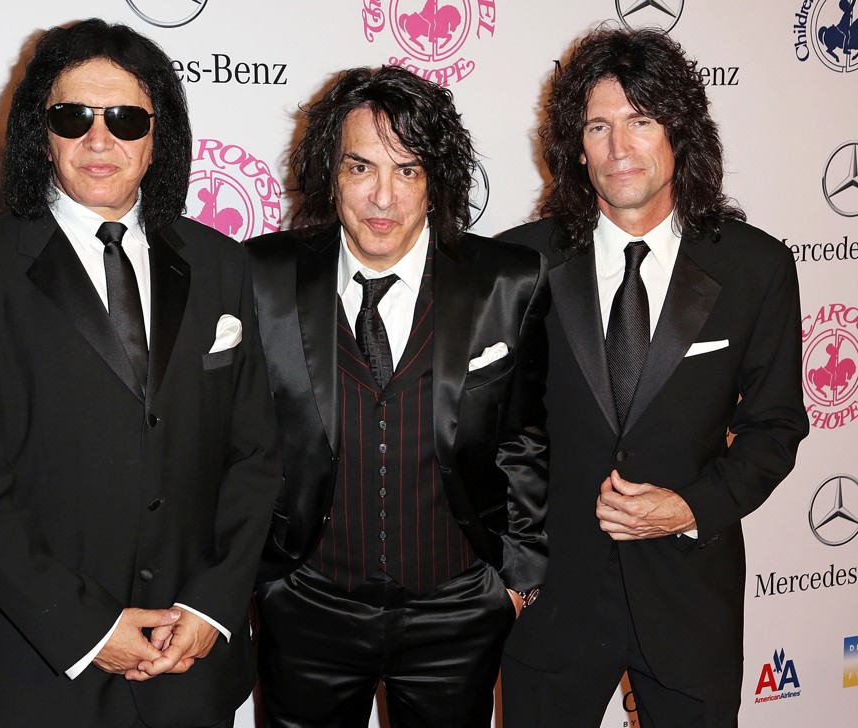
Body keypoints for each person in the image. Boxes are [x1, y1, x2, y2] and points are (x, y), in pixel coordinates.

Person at [0, 19, 280, 728]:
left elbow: (256, 455)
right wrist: (88, 628)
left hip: (189, 662)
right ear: (40, 131)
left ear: (158, 135)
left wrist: (211, 606)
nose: (100, 140)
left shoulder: (221, 263)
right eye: (73, 117)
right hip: (40, 667)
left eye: (126, 119)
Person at [500, 28, 808, 728]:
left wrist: (691, 507)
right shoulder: (518, 266)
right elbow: (486, 432)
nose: (619, 148)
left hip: (690, 597)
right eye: (598, 126)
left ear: (678, 134)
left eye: (640, 121)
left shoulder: (754, 268)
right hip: (552, 601)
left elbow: (775, 426)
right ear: (576, 147)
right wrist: (514, 566)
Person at [246, 65, 549, 728]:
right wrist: (267, 583)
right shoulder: (262, 277)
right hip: (307, 606)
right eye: (361, 167)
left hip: (458, 609)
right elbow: (237, 442)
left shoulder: (507, 282)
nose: (382, 197)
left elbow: (524, 438)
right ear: (330, 173)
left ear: (435, 181)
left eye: (407, 170)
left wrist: (517, 578)